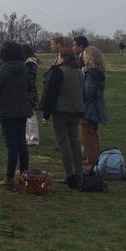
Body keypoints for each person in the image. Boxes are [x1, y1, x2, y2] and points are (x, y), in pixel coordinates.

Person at [0, 41, 32, 188]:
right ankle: (25, 174)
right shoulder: (25, 69)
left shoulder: (3, 69)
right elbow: (30, 87)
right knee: (21, 143)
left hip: (7, 110)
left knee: (12, 145)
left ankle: (9, 177)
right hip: (22, 109)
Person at [40, 48, 86, 184]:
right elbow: (82, 92)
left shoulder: (57, 71)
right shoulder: (78, 72)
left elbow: (50, 93)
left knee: (63, 143)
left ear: (63, 57)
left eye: (59, 56)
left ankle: (69, 174)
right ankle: (79, 172)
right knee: (74, 143)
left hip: (60, 112)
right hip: (76, 111)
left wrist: (46, 115)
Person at [81, 46, 109, 172]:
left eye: (85, 55)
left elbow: (88, 92)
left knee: (87, 135)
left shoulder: (91, 73)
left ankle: (93, 162)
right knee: (93, 133)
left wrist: (78, 95)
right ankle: (94, 158)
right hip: (97, 107)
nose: (83, 57)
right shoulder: (99, 72)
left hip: (90, 108)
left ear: (90, 57)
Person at [22, 44, 41, 146]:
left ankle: (33, 137)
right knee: (28, 115)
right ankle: (29, 135)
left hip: (29, 91)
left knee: (31, 115)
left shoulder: (30, 64)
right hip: (30, 90)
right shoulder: (30, 63)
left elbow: (28, 78)